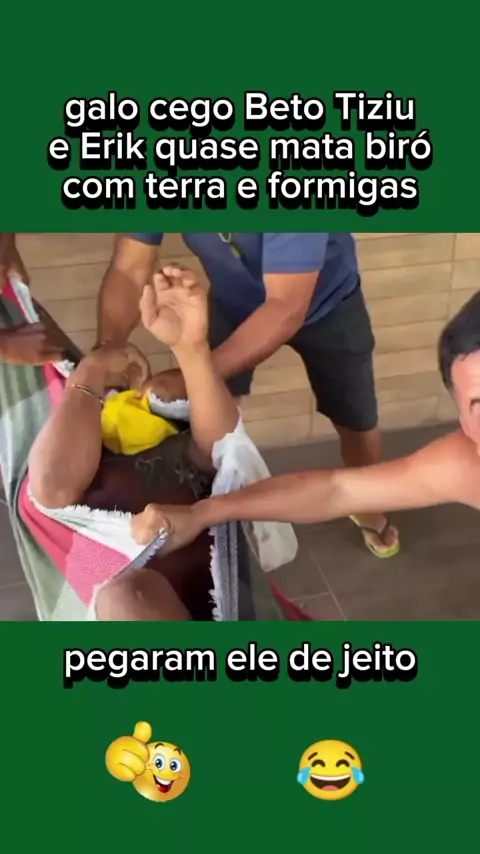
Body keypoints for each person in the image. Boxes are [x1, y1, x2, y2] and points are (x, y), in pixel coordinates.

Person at [14, 267, 300, 621]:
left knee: (126, 598)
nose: (149, 388)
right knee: (127, 596)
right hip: (163, 568)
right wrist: (187, 350)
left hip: (152, 574)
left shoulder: (180, 451)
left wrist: (188, 351)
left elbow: (224, 454)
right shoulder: (70, 477)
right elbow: (224, 452)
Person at [97, 233, 399, 558]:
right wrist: (107, 354)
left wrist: (194, 373)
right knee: (211, 419)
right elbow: (129, 269)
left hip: (328, 303)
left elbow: (285, 308)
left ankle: (369, 506)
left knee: (356, 421)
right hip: (233, 302)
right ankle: (213, 523)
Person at [132, 290, 480, 555]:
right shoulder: (464, 468)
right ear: (464, 421)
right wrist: (201, 514)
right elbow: (336, 491)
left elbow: (288, 303)